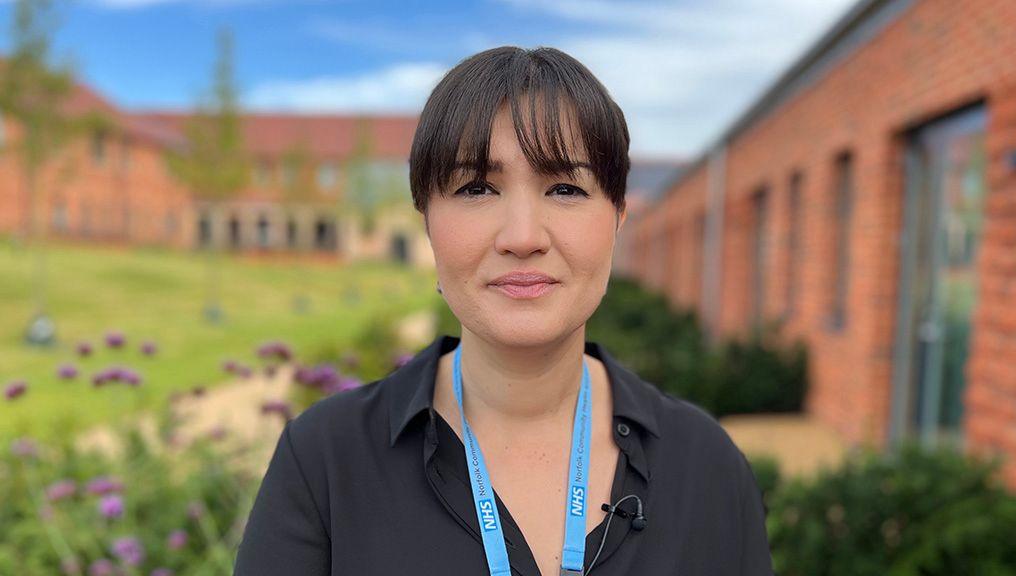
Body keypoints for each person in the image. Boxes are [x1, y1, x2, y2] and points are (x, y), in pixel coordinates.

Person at [233, 45, 774, 576]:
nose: (521, 237)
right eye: (476, 188)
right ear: (426, 219)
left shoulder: (708, 468)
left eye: (564, 188)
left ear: (619, 218)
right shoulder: (325, 462)